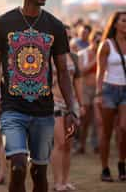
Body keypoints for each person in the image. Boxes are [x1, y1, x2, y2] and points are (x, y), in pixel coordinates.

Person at [0, 0, 78, 192]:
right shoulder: (4, 23)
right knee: (17, 166)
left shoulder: (55, 26)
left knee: (39, 172)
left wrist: (72, 108)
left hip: (44, 111)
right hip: (12, 108)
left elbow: (63, 71)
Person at [51, 25, 84, 191]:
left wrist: (81, 103)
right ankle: (57, 182)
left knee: (69, 144)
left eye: (69, 36)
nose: (67, 39)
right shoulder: (48, 56)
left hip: (71, 104)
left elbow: (77, 81)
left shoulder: (74, 56)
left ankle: (65, 180)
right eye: (65, 36)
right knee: (60, 143)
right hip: (54, 102)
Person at [95, 11, 126, 182]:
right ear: (115, 24)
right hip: (109, 89)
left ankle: (122, 163)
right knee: (106, 133)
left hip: (125, 91)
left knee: (123, 129)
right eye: (123, 21)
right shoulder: (106, 44)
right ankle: (105, 168)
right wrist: (98, 94)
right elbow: (100, 71)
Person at [76, 30, 102, 154]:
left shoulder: (105, 54)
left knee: (97, 120)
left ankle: (96, 144)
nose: (99, 43)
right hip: (85, 89)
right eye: (97, 41)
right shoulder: (82, 54)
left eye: (101, 41)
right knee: (85, 120)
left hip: (99, 89)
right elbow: (81, 71)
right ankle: (81, 144)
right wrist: (96, 60)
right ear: (91, 41)